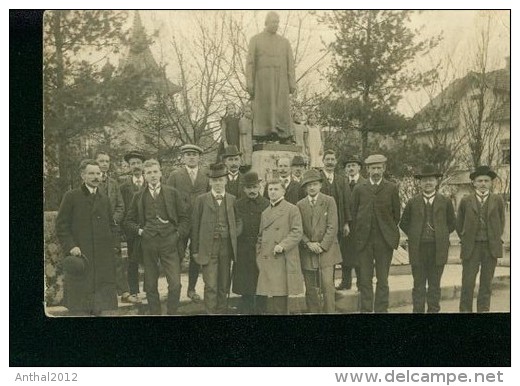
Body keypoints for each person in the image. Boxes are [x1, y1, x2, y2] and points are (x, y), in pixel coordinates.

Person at [124, 159, 190, 315]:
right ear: (144, 176)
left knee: (175, 284)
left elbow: (185, 219)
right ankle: (155, 313)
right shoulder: (138, 196)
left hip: (170, 242)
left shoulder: (172, 193)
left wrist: (177, 234)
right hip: (148, 243)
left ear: (160, 173)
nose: (152, 175)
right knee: (150, 284)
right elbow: (128, 221)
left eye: (155, 172)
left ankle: (172, 312)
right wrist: (140, 232)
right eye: (149, 173)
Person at [55, 159, 118, 315]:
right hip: (81, 255)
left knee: (100, 307)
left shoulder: (104, 198)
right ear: (83, 175)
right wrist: (71, 246)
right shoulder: (71, 196)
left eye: (98, 173)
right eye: (91, 173)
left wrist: (113, 245)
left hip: (102, 258)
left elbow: (112, 224)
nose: (96, 177)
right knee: (80, 308)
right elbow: (61, 226)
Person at [399, 165, 456, 313]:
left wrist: (441, 235)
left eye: (431, 180)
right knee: (418, 284)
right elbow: (404, 223)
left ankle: (433, 311)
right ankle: (417, 312)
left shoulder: (445, 201)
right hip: (418, 249)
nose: (428, 183)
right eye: (424, 180)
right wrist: (415, 234)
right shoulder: (412, 202)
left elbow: (452, 223)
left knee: (434, 284)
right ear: (420, 183)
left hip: (438, 249)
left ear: (436, 182)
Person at [351, 154, 401, 313]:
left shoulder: (391, 188)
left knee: (383, 279)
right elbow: (353, 212)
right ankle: (366, 310)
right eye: (373, 168)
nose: (376, 171)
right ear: (367, 169)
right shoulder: (359, 188)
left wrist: (387, 232)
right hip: (364, 241)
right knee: (365, 279)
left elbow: (396, 215)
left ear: (384, 168)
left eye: (379, 167)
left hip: (383, 241)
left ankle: (381, 310)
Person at [191, 163, 242, 314]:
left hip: (226, 247)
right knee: (211, 284)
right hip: (208, 247)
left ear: (226, 180)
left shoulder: (232, 199)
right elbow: (194, 226)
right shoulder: (201, 200)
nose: (218, 183)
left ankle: (221, 311)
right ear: (210, 182)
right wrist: (195, 250)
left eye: (221, 180)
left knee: (224, 284)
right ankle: (210, 313)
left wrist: (233, 233)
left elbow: (239, 221)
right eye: (215, 180)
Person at [457, 165, 505, 313]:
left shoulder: (498, 200)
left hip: (490, 247)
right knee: (468, 282)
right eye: (480, 181)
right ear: (474, 183)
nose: (483, 183)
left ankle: (483, 311)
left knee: (486, 283)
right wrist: (467, 239)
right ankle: (465, 311)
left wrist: (493, 238)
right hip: (471, 246)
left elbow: (501, 222)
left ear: (491, 183)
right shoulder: (466, 201)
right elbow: (459, 224)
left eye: (486, 180)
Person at [166, 144, 209, 303]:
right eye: (188, 154)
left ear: (199, 157)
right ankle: (174, 289)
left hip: (199, 222)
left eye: (194, 154)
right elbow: (168, 199)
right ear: (183, 157)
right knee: (176, 255)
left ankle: (191, 289)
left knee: (195, 255)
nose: (191, 157)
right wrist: (172, 222)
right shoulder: (175, 175)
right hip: (180, 222)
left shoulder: (206, 175)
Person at [246, 11, 296, 144]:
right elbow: (250, 63)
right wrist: (249, 83)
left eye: (277, 22)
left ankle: (284, 135)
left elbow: (290, 63)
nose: (276, 25)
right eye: (273, 22)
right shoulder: (255, 40)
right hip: (262, 80)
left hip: (281, 79)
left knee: (281, 107)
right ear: (266, 23)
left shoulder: (284, 42)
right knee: (264, 106)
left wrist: (292, 82)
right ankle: (263, 134)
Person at [297, 169, 342, 313]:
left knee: (328, 286)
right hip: (308, 250)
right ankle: (313, 312)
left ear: (320, 185)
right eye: (308, 185)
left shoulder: (329, 201)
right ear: (304, 187)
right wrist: (308, 244)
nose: (312, 187)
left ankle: (329, 313)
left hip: (326, 251)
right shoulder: (300, 205)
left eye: (315, 184)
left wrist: (322, 246)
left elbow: (332, 226)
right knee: (310, 288)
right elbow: (298, 229)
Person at [256, 179, 304, 314]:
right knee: (268, 299)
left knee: (280, 299)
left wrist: (283, 245)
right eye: (270, 189)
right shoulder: (265, 212)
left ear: (283, 191)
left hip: (282, 257)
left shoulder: (291, 209)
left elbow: (297, 231)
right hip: (266, 258)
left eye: (276, 189)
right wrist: (259, 254)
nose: (272, 192)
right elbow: (260, 236)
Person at [94, 151, 132, 304]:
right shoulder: (90, 183)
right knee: (98, 260)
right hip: (96, 229)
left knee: (117, 260)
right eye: (101, 161)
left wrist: (113, 221)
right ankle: (102, 294)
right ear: (96, 163)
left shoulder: (114, 183)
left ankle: (124, 292)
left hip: (113, 228)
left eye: (107, 161)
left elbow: (121, 206)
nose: (104, 164)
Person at [232, 171, 270, 314]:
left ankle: (261, 310)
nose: (252, 190)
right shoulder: (237, 205)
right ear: (244, 189)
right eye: (249, 188)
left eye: (254, 187)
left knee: (262, 281)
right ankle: (246, 310)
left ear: (259, 186)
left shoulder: (266, 204)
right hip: (243, 249)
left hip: (262, 248)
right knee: (246, 283)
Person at [319, 150, 352, 288]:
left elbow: (346, 202)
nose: (330, 162)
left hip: (338, 224)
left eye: (332, 159)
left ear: (336, 162)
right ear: (323, 161)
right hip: (322, 225)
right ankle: (326, 286)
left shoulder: (342, 180)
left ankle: (344, 282)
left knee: (342, 253)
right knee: (325, 255)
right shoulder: (318, 179)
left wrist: (346, 223)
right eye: (328, 159)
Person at [119, 150, 147, 302]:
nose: (136, 166)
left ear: (143, 165)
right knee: (133, 260)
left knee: (150, 260)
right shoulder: (124, 187)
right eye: (132, 164)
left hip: (149, 229)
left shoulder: (151, 182)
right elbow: (122, 209)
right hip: (132, 230)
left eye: (138, 163)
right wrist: (126, 229)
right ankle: (134, 291)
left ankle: (150, 289)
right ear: (129, 167)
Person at [336, 155, 365, 291]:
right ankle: (346, 282)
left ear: (359, 167)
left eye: (353, 165)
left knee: (360, 254)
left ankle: (361, 283)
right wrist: (344, 222)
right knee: (345, 253)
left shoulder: (365, 183)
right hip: (345, 224)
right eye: (348, 166)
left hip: (361, 225)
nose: (351, 168)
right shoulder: (342, 183)